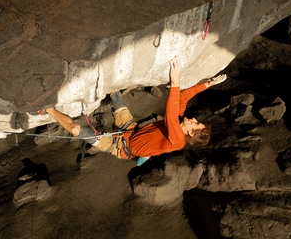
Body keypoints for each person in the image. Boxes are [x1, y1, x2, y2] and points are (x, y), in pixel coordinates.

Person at [43, 56, 227, 166]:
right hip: (131, 128)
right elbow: (183, 98)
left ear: (191, 132)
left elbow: (170, 113)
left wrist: (175, 80)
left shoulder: (178, 141)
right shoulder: (179, 122)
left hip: (118, 147)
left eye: (195, 122)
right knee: (115, 94)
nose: (194, 118)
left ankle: (49, 109)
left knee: (77, 130)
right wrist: (207, 84)